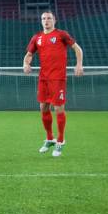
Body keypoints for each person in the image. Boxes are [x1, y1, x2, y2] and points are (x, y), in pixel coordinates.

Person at [23, 11, 83, 157]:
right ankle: (50, 138)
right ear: (41, 21)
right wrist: (25, 63)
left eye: (49, 18)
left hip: (58, 77)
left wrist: (79, 64)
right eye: (43, 18)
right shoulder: (37, 38)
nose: (46, 21)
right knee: (43, 107)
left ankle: (60, 140)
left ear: (54, 20)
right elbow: (29, 55)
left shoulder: (61, 34)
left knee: (58, 108)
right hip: (44, 78)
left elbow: (77, 48)